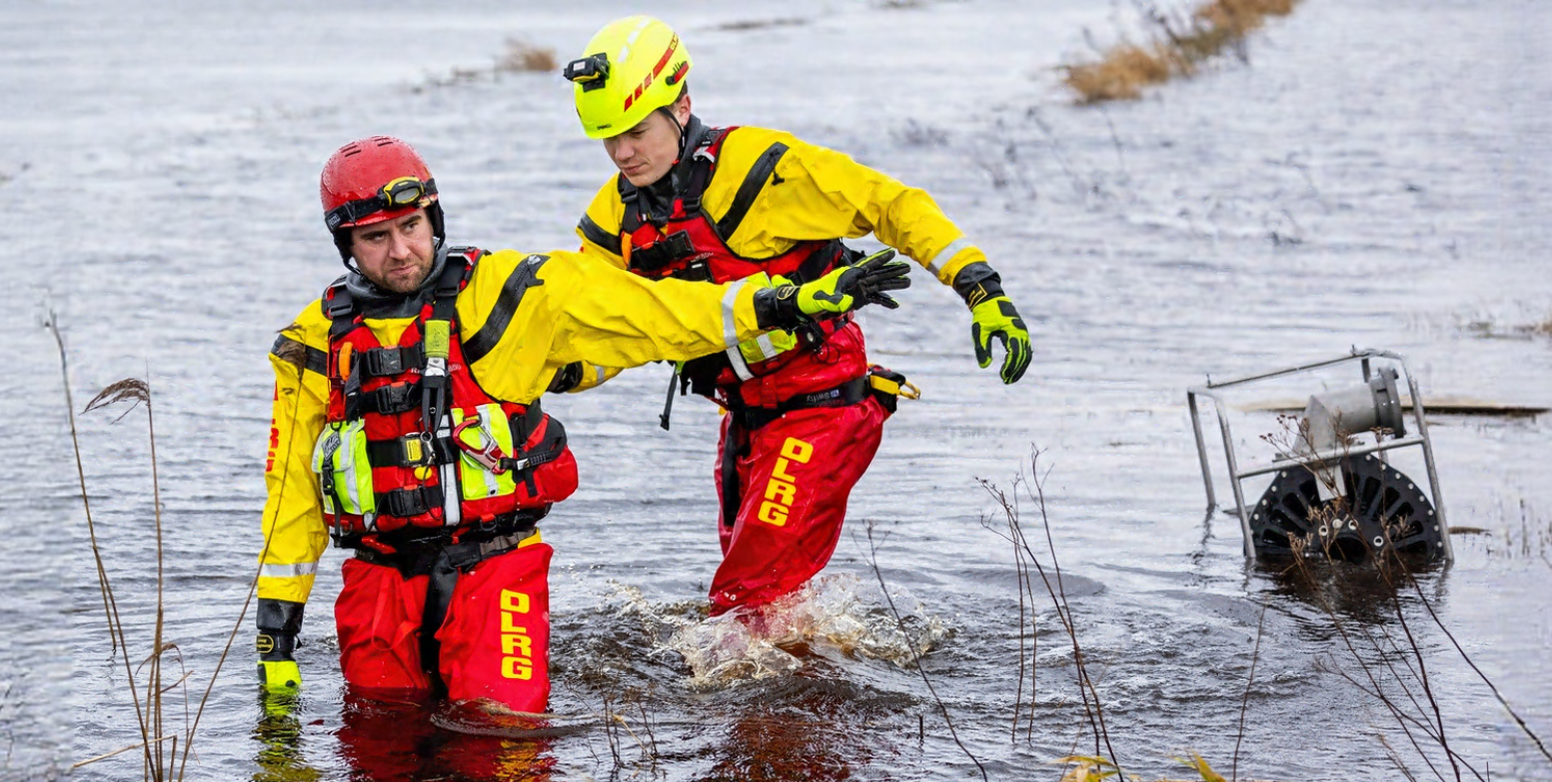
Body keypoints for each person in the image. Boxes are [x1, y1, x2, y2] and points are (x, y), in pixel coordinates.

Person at [253, 135, 911, 715]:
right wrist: (276, 633)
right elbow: (290, 495)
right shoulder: (311, 342)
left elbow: (651, 311)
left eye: (412, 226)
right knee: (378, 743)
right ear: (346, 244)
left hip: (495, 574)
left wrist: (780, 302)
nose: (402, 251)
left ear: (434, 218)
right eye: (376, 238)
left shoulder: (508, 292)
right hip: (376, 584)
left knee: (504, 743)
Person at [561, 16, 1037, 617]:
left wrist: (979, 287)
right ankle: (821, 666)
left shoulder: (763, 172)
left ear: (681, 106)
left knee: (742, 602)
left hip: (821, 405)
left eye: (636, 132)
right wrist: (558, 375)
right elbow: (607, 329)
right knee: (770, 607)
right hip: (742, 419)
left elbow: (891, 204)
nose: (622, 153)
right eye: (607, 137)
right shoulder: (613, 220)